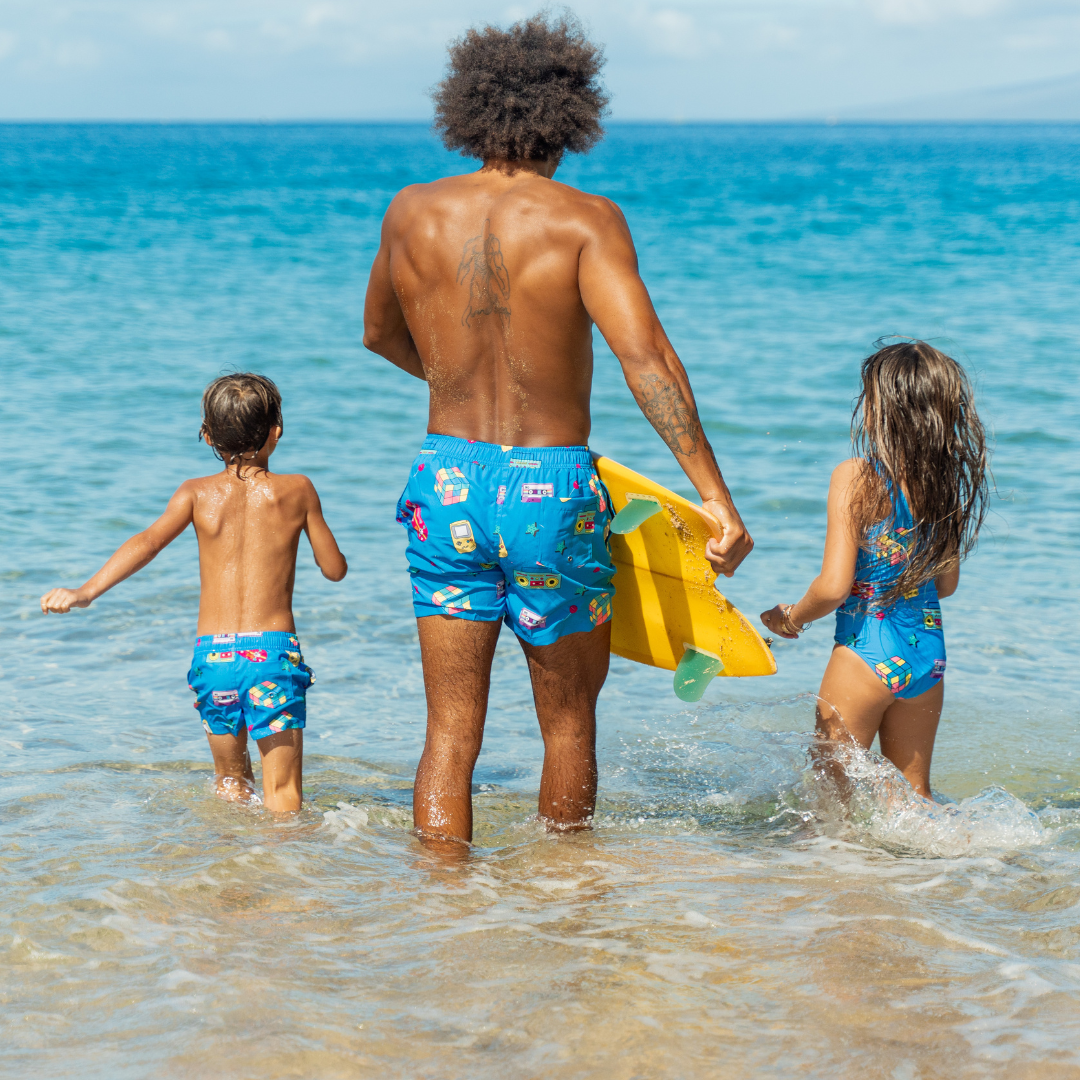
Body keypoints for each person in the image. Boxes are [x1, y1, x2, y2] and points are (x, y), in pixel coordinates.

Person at [362, 13, 753, 847]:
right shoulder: (586, 220)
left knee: (449, 731)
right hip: (550, 486)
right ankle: (563, 901)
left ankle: (442, 905)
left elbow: (379, 335)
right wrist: (715, 498)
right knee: (568, 725)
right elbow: (647, 361)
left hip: (444, 483)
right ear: (570, 112)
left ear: (470, 107)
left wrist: (454, 382)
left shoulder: (409, 211)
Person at [40, 373, 347, 812]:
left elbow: (147, 542)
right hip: (271, 656)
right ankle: (287, 858)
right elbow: (334, 570)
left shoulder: (195, 493)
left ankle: (227, 858)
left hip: (214, 658)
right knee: (282, 794)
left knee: (231, 785)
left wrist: (85, 592)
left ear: (207, 436)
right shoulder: (298, 489)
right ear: (276, 430)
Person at [761, 341, 989, 798]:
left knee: (828, 800)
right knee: (915, 795)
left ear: (882, 411)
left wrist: (790, 618)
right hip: (928, 655)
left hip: (865, 652)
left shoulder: (855, 476)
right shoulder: (944, 487)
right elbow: (946, 585)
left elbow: (833, 587)